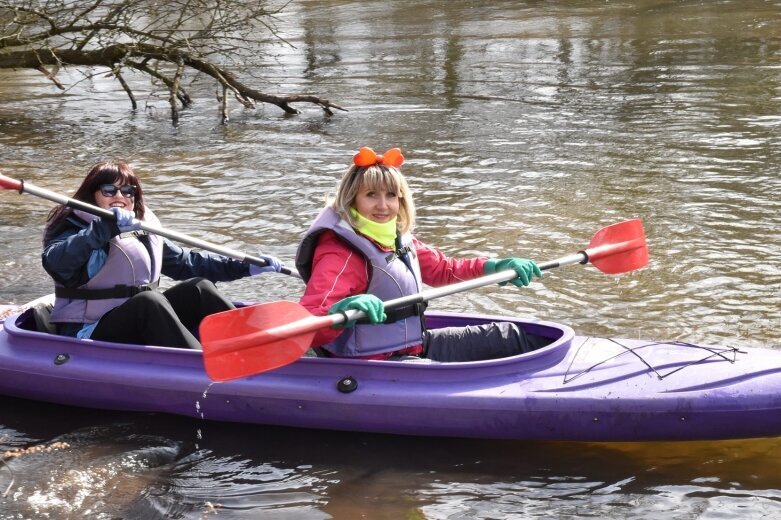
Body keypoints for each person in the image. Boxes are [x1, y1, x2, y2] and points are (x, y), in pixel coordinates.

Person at [295, 146, 548, 362]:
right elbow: (307, 323)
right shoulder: (341, 254)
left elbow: (444, 270)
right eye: (371, 195)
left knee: (508, 336)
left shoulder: (395, 238)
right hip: (374, 365)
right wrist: (339, 312)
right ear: (353, 200)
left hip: (412, 347)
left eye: (391, 195)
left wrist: (495, 267)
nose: (383, 205)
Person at [42, 160, 284, 350]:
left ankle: (256, 346)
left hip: (137, 317)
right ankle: (200, 368)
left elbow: (186, 263)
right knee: (149, 301)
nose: (119, 197)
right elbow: (56, 263)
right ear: (92, 194)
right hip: (87, 330)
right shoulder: (74, 227)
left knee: (198, 287)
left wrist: (244, 267)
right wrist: (105, 228)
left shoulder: (140, 228)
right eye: (109, 190)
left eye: (128, 191)